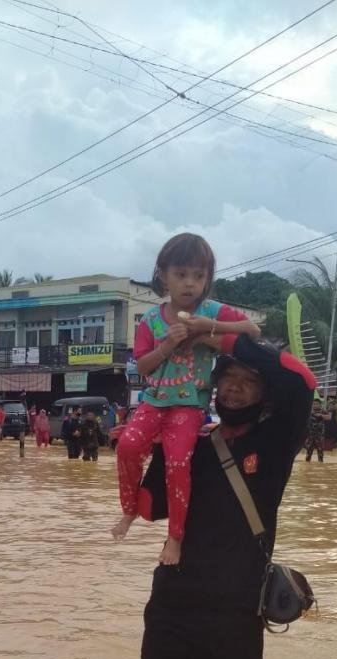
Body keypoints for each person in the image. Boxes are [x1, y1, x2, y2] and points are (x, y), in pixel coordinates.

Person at [132, 334, 316, 659]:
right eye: (227, 377)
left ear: (266, 393)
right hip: (172, 608)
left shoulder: (275, 441)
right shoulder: (191, 441)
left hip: (237, 613)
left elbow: (302, 381)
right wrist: (153, 447)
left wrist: (215, 333)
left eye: (248, 380)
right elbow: (150, 509)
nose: (234, 387)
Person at [111, 232, 261, 565]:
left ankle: (175, 539)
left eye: (198, 276)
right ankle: (129, 510)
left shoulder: (211, 310)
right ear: (163, 275)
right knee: (128, 446)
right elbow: (144, 369)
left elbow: (253, 330)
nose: (189, 284)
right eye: (181, 275)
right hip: (153, 401)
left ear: (207, 278)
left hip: (189, 406)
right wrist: (166, 344)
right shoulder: (150, 320)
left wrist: (209, 327)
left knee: (178, 464)